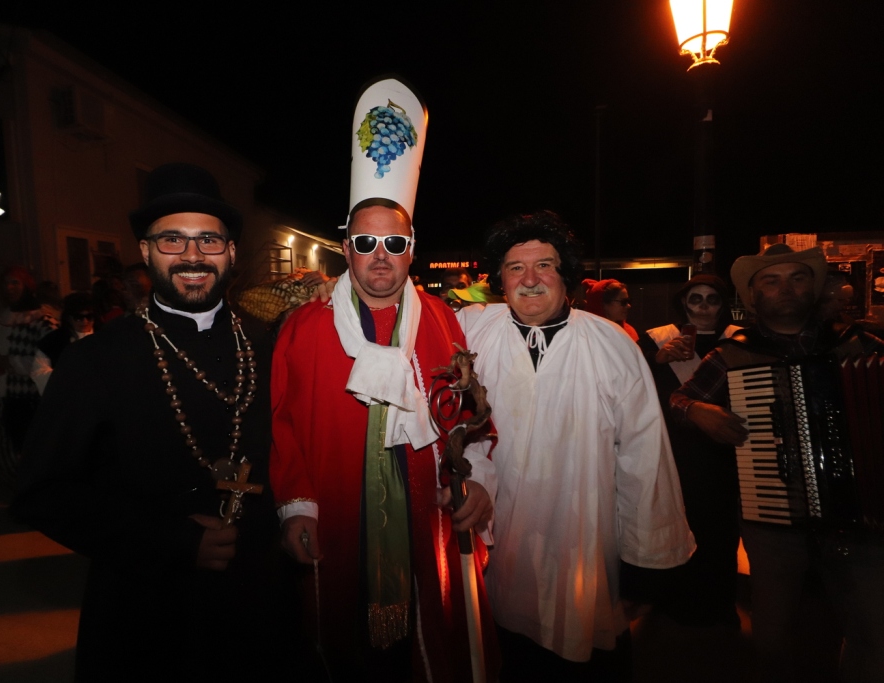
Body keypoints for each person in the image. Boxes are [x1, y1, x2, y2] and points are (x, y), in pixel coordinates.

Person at [12, 163, 288, 681]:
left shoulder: (270, 344)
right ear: (145, 251)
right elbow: (41, 492)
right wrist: (172, 540)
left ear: (231, 252)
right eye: (171, 240)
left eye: (209, 240)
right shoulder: (95, 359)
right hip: (144, 611)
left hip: (256, 604)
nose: (192, 256)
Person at [270, 77, 499, 682]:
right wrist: (296, 505)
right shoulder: (305, 325)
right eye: (365, 241)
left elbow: (471, 414)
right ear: (346, 248)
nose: (379, 254)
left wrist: (477, 479)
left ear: (411, 250)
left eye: (393, 242)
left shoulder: (444, 319)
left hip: (429, 519)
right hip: (334, 517)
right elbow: (281, 422)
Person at [455, 211, 694, 682]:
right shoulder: (470, 330)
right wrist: (331, 294)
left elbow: (644, 457)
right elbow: (405, 321)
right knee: (505, 654)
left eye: (544, 265)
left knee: (582, 651)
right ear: (500, 280)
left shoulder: (611, 344)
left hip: (584, 541)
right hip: (499, 540)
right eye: (515, 267)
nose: (529, 279)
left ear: (566, 275)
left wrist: (644, 564)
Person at [670, 244, 884, 683]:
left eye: (797, 278)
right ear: (754, 296)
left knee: (874, 632)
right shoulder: (731, 355)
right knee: (771, 637)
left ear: (813, 288)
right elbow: (679, 400)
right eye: (771, 280)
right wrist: (696, 410)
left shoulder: (858, 344)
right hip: (773, 519)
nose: (785, 288)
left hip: (863, 516)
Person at [638, 274, 743, 628]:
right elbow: (629, 380)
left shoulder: (740, 339)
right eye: (695, 299)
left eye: (712, 299)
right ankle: (674, 602)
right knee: (677, 524)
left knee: (721, 531)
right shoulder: (657, 338)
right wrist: (656, 358)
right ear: (683, 302)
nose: (703, 306)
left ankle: (720, 605)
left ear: (722, 304)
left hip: (724, 451)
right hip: (674, 448)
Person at [0, 266, 57, 483]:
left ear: (27, 286)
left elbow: (48, 362)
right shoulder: (4, 317)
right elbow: (0, 352)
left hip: (32, 396)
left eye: (15, 282)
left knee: (33, 447)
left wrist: (10, 362)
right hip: (6, 393)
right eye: (6, 283)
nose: (9, 288)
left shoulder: (44, 320)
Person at [30, 292, 97, 395]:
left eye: (89, 316)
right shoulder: (52, 341)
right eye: (78, 317)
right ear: (69, 317)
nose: (85, 321)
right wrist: (69, 376)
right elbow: (39, 372)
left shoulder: (104, 338)